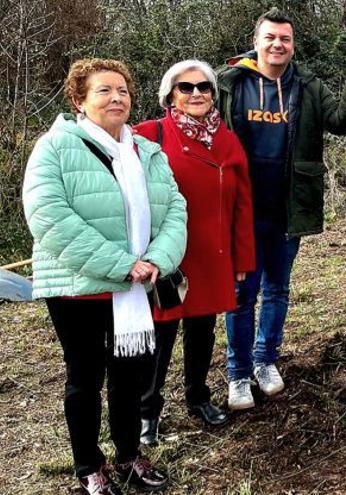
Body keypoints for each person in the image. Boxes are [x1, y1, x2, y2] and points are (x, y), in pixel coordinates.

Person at [22, 58, 186, 494]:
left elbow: (175, 209)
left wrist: (158, 259)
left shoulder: (147, 152)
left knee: (131, 377)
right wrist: (120, 264)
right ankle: (89, 467)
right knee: (85, 379)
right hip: (80, 289)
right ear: (79, 100)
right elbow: (49, 217)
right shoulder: (55, 148)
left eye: (123, 90)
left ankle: (129, 456)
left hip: (138, 286)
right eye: (104, 90)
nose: (117, 98)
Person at [216, 7, 346, 409]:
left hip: (288, 208)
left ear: (293, 45)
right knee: (241, 293)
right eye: (270, 38)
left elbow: (343, 122)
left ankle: (265, 360)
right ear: (256, 42)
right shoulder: (229, 83)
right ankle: (237, 373)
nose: (277, 45)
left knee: (277, 289)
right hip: (241, 211)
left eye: (284, 39)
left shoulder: (308, 86)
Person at [133, 60, 255, 445]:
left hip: (212, 254)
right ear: (170, 95)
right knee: (160, 335)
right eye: (186, 87)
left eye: (204, 87)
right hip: (169, 257)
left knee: (202, 332)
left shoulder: (227, 140)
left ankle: (198, 398)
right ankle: (147, 412)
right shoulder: (149, 135)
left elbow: (242, 204)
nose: (196, 93)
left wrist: (241, 259)